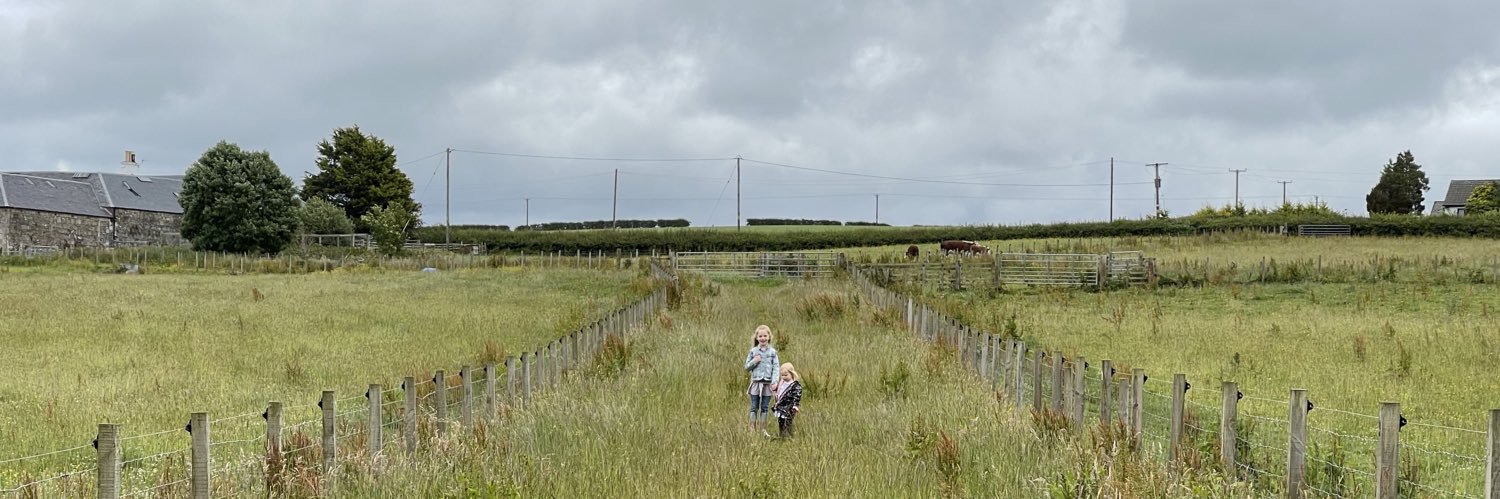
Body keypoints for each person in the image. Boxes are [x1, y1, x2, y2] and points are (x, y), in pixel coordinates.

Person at [744, 325, 779, 435]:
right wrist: (754, 361)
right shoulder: (753, 351)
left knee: (765, 407)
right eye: (760, 336)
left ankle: (763, 429)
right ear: (757, 338)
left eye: (765, 335)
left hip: (767, 384)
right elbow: (746, 367)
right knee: (754, 407)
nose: (763, 338)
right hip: (756, 383)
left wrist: (774, 381)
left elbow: (776, 367)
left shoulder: (772, 352)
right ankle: (752, 429)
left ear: (769, 337)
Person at [771, 362, 803, 438]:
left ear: (791, 374)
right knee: (780, 421)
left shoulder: (795, 385)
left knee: (788, 422)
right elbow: (779, 392)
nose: (784, 377)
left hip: (789, 407)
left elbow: (797, 396)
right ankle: (782, 435)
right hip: (780, 407)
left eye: (786, 375)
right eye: (782, 375)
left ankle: (789, 436)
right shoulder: (782, 383)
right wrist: (775, 389)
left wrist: (795, 405)